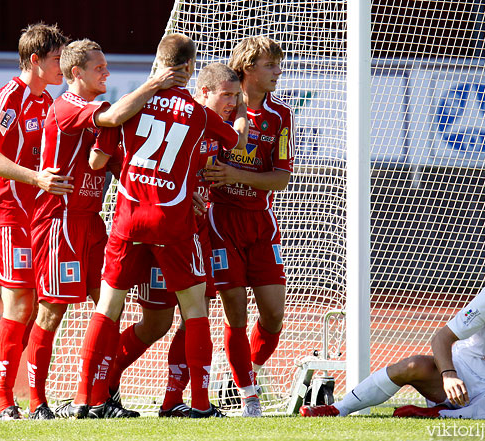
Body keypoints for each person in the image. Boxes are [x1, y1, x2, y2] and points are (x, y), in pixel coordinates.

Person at [59, 33, 247, 419]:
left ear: (159, 62)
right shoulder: (198, 113)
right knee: (195, 309)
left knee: (109, 307)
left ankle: (86, 399)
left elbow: (97, 161)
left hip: (128, 218)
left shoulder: (127, 107)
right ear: (190, 70)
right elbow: (233, 140)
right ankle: (196, 404)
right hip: (172, 220)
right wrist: (241, 112)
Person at [25, 38, 190, 420]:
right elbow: (114, 118)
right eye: (99, 68)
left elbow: (115, 160)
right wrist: (155, 84)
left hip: (93, 222)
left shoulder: (99, 112)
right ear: (76, 73)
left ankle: (100, 398)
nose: (107, 73)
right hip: (60, 222)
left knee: (109, 307)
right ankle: (36, 403)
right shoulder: (68, 105)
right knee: (52, 312)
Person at [300, 230, 485, 420]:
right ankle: (336, 409)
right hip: (462, 381)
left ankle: (442, 416)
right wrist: (450, 376)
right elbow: (442, 338)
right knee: (413, 364)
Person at [0, 23, 72, 421]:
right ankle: (5, 403)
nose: (62, 66)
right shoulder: (11, 96)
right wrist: (36, 178)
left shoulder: (48, 102)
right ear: (35, 60)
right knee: (21, 303)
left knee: (34, 306)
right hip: (2, 211)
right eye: (57, 59)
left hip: (32, 214)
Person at [201, 36, 295, 416]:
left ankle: (244, 374)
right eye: (270, 65)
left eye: (278, 64)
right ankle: (248, 396)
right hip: (221, 220)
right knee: (234, 313)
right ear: (248, 70)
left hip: (260, 222)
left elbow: (281, 177)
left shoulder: (280, 116)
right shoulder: (219, 107)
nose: (278, 71)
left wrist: (236, 173)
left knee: (273, 314)